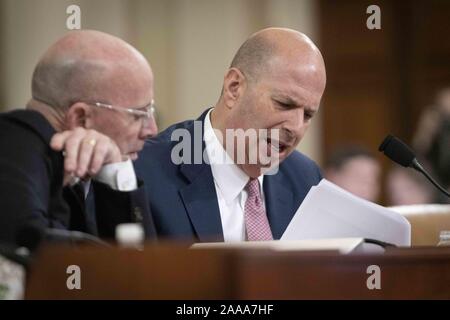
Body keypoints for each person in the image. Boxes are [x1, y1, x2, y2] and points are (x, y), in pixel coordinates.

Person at [135, 27, 326, 242]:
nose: (297, 127)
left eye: (308, 114)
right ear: (234, 88)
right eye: (284, 104)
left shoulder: (305, 179)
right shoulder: (145, 172)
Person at [0, 30, 158, 247]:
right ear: (81, 118)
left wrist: (116, 174)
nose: (152, 130)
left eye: (151, 112)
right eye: (138, 115)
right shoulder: (12, 148)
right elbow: (33, 255)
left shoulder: (89, 164)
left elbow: (145, 273)